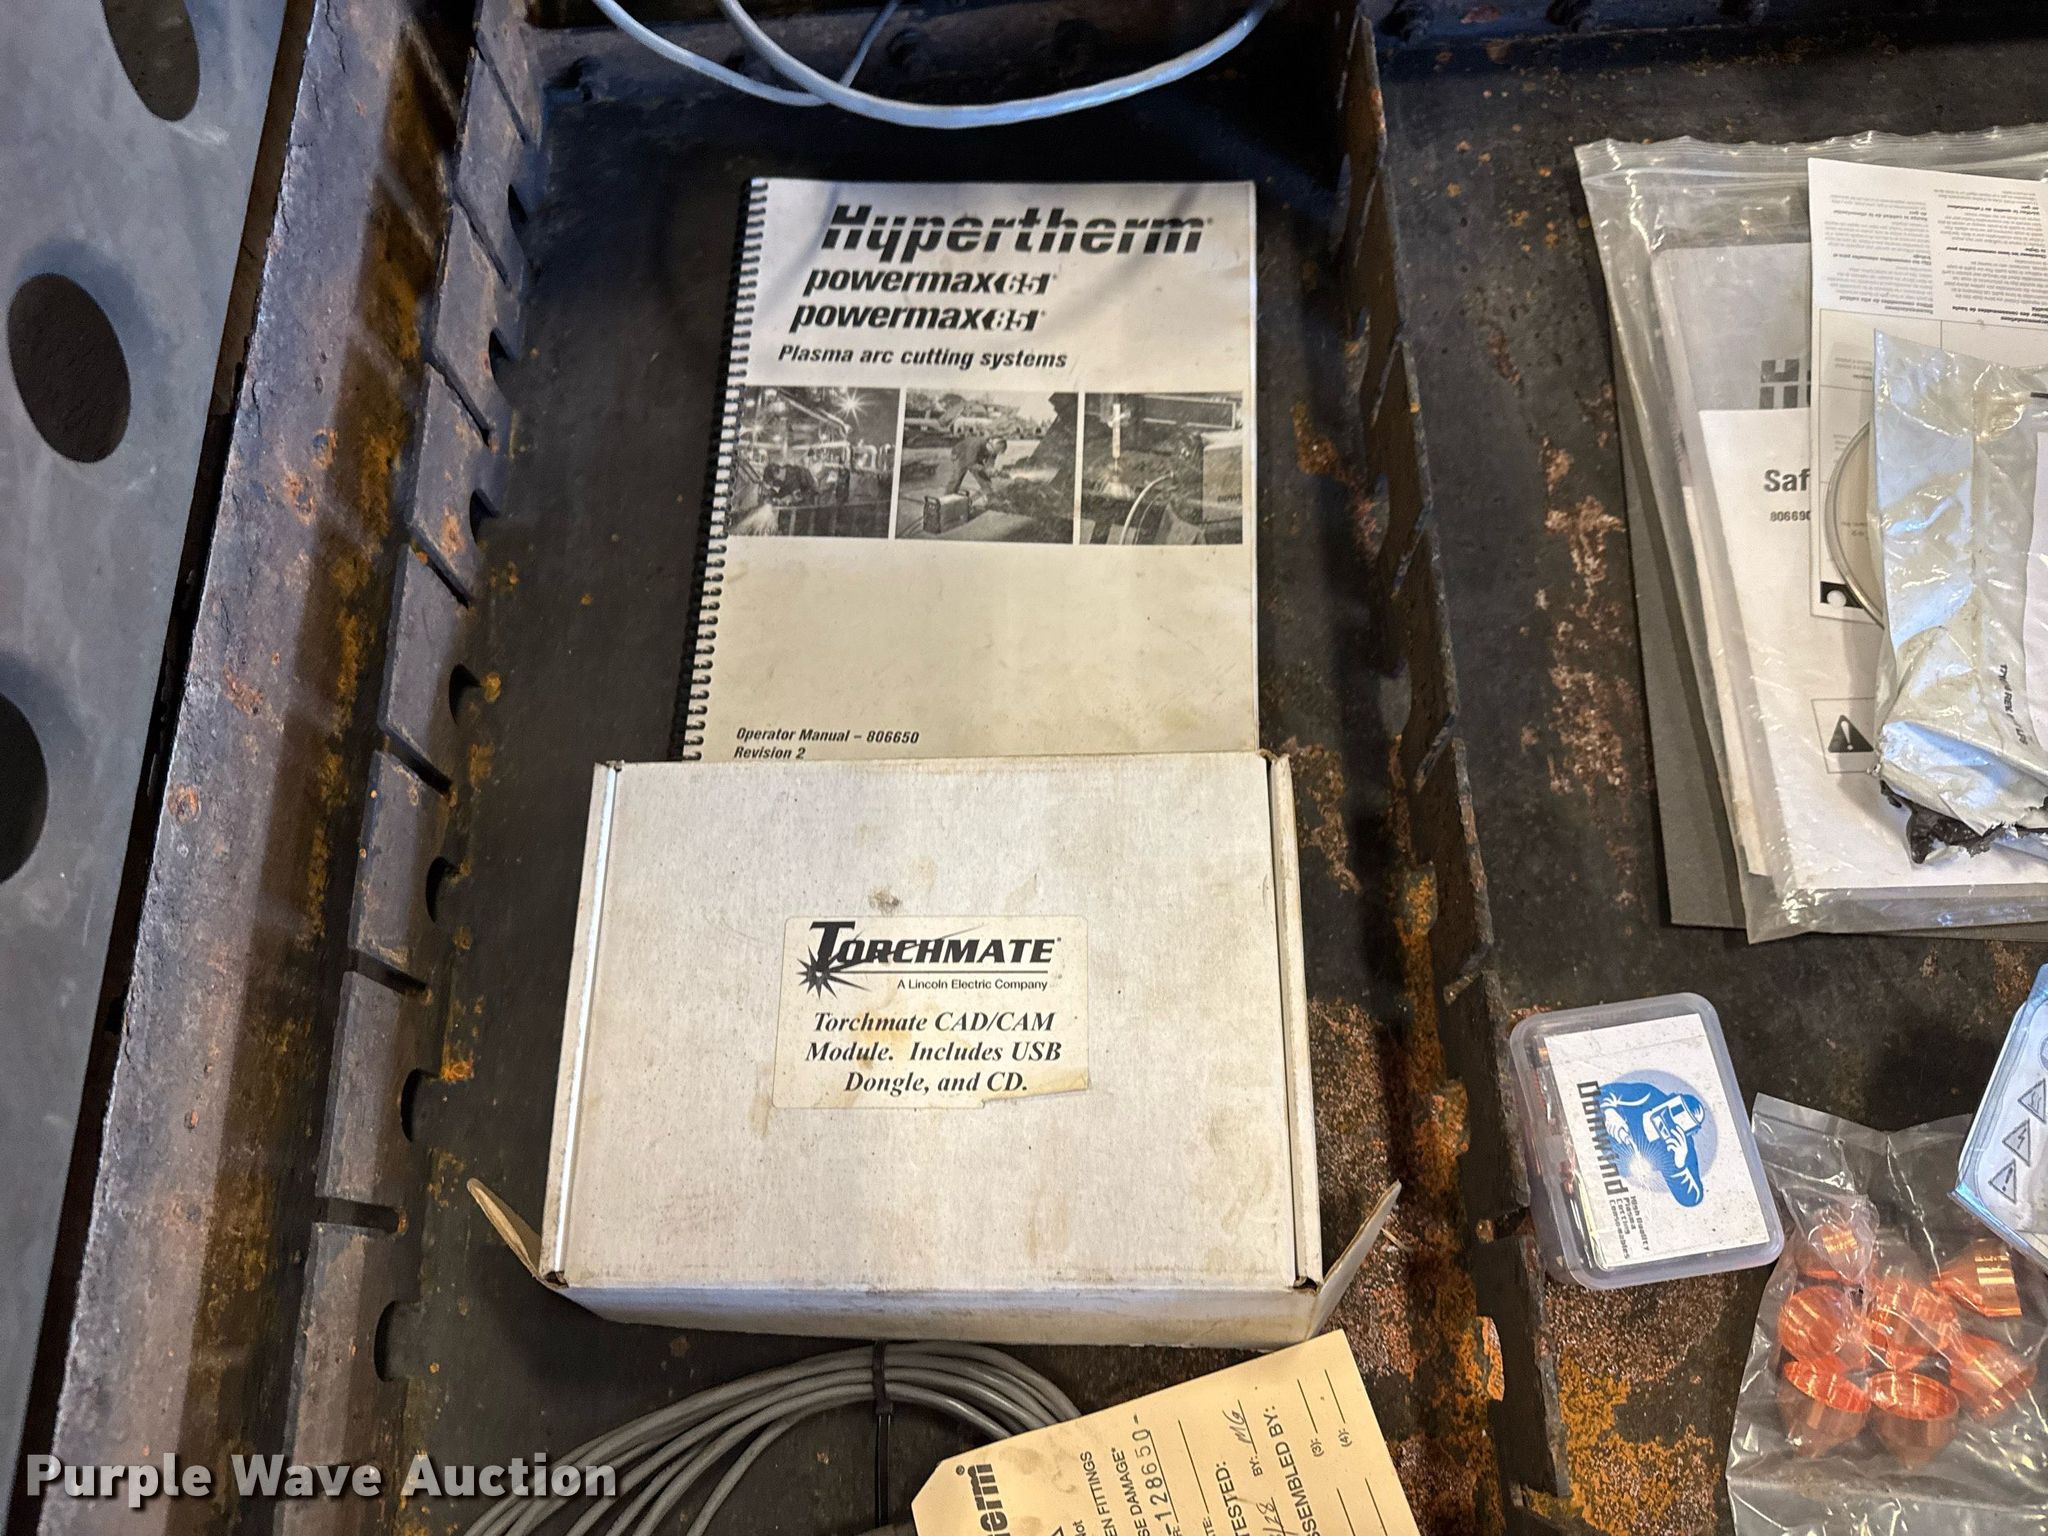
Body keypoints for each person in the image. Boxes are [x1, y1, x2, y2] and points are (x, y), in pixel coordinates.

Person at [943, 434, 1006, 500]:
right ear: (989, 444)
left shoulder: (994, 449)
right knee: (957, 477)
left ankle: (988, 497)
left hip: (975, 457)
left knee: (986, 482)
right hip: (960, 454)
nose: (992, 454)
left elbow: (990, 463)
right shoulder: (975, 444)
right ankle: (947, 498)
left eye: (994, 453)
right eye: (992, 451)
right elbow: (971, 464)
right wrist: (985, 469)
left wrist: (991, 470)